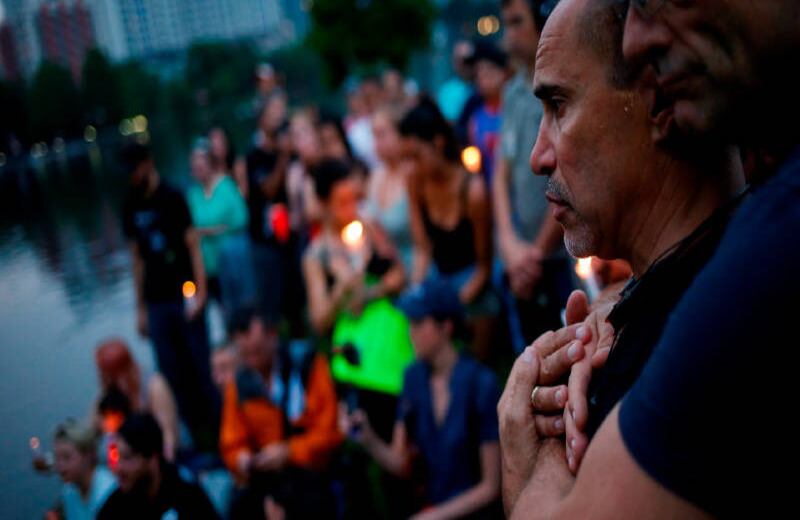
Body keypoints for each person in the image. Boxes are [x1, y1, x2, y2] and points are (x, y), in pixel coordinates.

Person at [496, 0, 752, 518]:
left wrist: (533, 449)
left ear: (657, 100)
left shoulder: (715, 333)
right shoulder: (737, 262)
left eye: (559, 105)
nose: (538, 156)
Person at [345, 279, 502, 519]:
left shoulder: (481, 384)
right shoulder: (413, 378)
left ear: (446, 326)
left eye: (418, 322)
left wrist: (435, 516)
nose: (411, 332)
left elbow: (491, 486)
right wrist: (369, 438)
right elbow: (401, 464)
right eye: (409, 323)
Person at [119, 142, 219, 452]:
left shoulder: (173, 197)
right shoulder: (130, 205)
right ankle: (188, 437)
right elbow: (136, 259)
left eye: (135, 168)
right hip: (156, 300)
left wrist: (200, 292)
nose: (132, 176)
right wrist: (140, 309)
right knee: (171, 371)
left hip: (184, 293)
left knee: (201, 365)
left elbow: (193, 246)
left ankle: (219, 433)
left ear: (148, 163)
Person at [303, 160, 413, 421]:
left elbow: (399, 275)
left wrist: (369, 293)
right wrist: (342, 290)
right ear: (324, 204)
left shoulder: (369, 228)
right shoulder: (316, 255)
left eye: (354, 200)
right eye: (342, 202)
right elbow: (319, 320)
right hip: (353, 353)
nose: (351, 209)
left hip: (389, 340)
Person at [494, 0, 571, 353]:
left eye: (516, 22)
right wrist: (509, 244)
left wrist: (536, 255)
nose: (508, 35)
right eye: (504, 24)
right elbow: (500, 172)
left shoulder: (564, 80)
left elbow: (569, 170)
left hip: (560, 252)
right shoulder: (511, 92)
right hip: (521, 251)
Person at [221, 307, 342, 518]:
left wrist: (289, 452)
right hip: (266, 477)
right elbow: (231, 442)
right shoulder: (239, 385)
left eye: (257, 350)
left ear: (273, 335)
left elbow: (330, 433)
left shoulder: (307, 364)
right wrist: (243, 460)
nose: (252, 360)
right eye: (245, 354)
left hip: (309, 472)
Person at [401, 98, 498, 361]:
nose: (410, 167)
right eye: (405, 159)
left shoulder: (473, 191)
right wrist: (418, 293)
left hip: (472, 281)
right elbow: (422, 248)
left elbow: (484, 269)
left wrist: (449, 306)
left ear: (438, 142)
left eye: (415, 156)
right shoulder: (415, 182)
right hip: (439, 276)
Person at [98, 414, 219, 519]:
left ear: (153, 459)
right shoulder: (115, 508)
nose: (119, 468)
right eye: (118, 458)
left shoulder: (188, 500)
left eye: (128, 458)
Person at [187, 141, 255, 323]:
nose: (198, 170)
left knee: (241, 306)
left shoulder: (226, 186)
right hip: (208, 265)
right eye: (195, 167)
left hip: (233, 260)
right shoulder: (193, 195)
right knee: (222, 311)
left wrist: (210, 230)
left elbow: (241, 219)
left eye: (201, 165)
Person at [95, 338, 180, 462]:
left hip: (159, 455)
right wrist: (116, 466)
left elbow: (169, 436)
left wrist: (166, 463)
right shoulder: (109, 397)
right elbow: (110, 438)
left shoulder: (155, 386)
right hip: (130, 463)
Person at [365, 105, 415, 274]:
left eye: (382, 134)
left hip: (416, 266)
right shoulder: (376, 176)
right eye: (374, 136)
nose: (376, 143)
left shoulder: (413, 174)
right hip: (390, 270)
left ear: (400, 133)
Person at [48, 419, 117, 520]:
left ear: (88, 455)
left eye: (67, 457)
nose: (60, 465)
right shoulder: (69, 492)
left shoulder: (108, 491)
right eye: (57, 458)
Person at [465, 41, 510, 187]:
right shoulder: (476, 118)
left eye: (489, 70)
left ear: (504, 73)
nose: (483, 76)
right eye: (479, 72)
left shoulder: (515, 111)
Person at [437, 40, 475, 123]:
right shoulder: (447, 90)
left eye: (467, 60)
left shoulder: (484, 87)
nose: (463, 65)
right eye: (458, 60)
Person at [207, 126, 247, 196]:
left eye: (220, 140)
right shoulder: (209, 171)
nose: (217, 144)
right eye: (214, 141)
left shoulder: (237, 164)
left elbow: (243, 193)